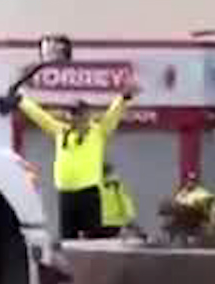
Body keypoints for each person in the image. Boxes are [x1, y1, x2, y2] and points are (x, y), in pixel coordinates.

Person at [16, 85, 138, 240]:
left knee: (93, 239)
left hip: (88, 193)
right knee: (67, 239)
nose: (76, 117)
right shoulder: (62, 132)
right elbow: (41, 117)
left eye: (79, 114)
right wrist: (21, 101)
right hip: (66, 194)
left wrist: (123, 98)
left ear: (87, 115)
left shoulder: (98, 132)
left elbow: (112, 115)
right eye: (73, 113)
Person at [99, 163, 136, 238]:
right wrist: (130, 218)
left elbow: (125, 202)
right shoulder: (116, 184)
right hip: (114, 223)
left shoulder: (115, 184)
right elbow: (126, 202)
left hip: (101, 223)